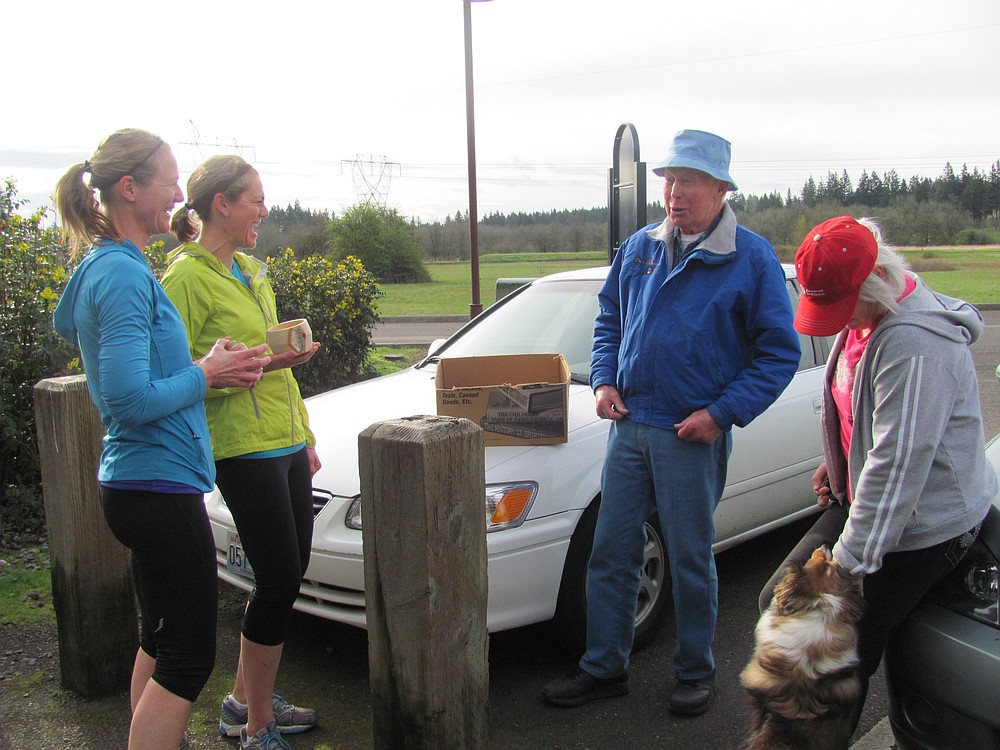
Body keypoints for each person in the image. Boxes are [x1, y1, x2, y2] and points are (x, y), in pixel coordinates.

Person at [542, 129, 801, 715]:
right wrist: (604, 379)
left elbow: (779, 354)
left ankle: (695, 672)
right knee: (611, 551)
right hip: (630, 427)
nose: (673, 193)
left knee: (689, 556)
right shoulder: (640, 246)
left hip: (691, 433)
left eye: (687, 181)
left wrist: (721, 414)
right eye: (668, 180)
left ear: (719, 189)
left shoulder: (749, 258)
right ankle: (604, 666)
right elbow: (609, 317)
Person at [52, 129, 270, 750]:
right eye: (169, 180)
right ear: (130, 189)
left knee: (160, 638)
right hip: (154, 484)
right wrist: (206, 374)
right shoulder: (121, 276)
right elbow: (125, 399)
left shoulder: (118, 267)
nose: (180, 192)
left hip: (144, 481)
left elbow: (140, 377)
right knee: (188, 657)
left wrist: (206, 364)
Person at [757, 215, 996, 736]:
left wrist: (844, 571)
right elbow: (858, 414)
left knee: (824, 656)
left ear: (877, 281)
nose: (838, 322)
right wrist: (840, 460)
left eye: (843, 307)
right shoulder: (867, 321)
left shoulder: (915, 347)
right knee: (775, 605)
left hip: (923, 523)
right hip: (871, 500)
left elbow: (896, 467)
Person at [162, 155, 321, 750]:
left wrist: (302, 434)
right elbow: (171, 373)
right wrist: (219, 373)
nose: (264, 208)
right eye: (254, 198)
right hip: (238, 446)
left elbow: (268, 366)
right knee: (279, 578)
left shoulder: (253, 269)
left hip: (282, 439)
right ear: (221, 204)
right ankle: (257, 727)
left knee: (287, 574)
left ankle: (240, 702)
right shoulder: (184, 278)